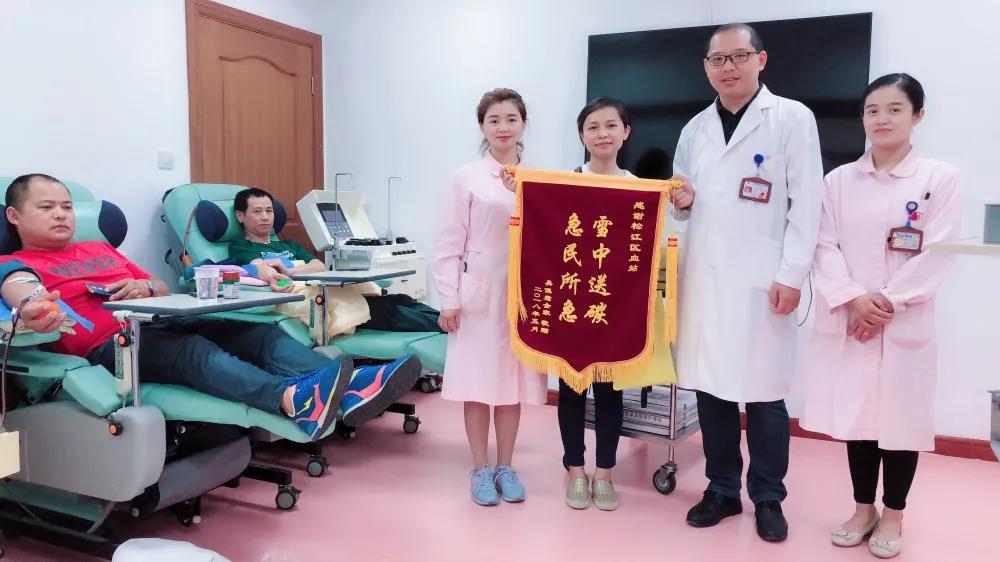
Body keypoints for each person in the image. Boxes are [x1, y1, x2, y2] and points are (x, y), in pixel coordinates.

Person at [0, 174, 419, 436]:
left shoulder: (100, 248)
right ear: (15, 217)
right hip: (113, 345)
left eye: (67, 207)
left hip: (161, 319)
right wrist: (35, 307)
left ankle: (352, 384)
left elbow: (162, 286)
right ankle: (293, 400)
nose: (61, 215)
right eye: (47, 207)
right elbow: (22, 290)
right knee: (193, 351)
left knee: (255, 334)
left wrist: (144, 285)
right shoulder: (14, 263)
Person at [668, 23, 824, 541]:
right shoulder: (694, 129)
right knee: (711, 391)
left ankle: (768, 496)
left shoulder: (792, 119)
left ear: (761, 60)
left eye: (738, 56)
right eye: (717, 60)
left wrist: (792, 274)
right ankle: (721, 489)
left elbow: (808, 203)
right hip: (705, 282)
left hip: (764, 281)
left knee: (764, 396)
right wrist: (682, 204)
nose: (728, 68)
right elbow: (681, 203)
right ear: (706, 68)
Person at [800, 74, 961, 559]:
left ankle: (894, 514)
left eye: (895, 109)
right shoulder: (838, 181)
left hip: (903, 321)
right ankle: (862, 509)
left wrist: (884, 303)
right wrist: (853, 299)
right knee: (859, 420)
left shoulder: (939, 178)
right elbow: (823, 245)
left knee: (900, 421)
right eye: (872, 110)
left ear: (918, 115)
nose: (882, 119)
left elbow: (938, 251)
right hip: (853, 320)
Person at [433, 88, 547, 506]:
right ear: (482, 127)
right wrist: (449, 298)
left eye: (511, 119)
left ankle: (506, 466)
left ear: (524, 125)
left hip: (524, 296)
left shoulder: (537, 178)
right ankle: (480, 468)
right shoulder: (466, 177)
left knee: (513, 386)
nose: (503, 127)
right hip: (477, 296)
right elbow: (449, 243)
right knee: (478, 385)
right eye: (494, 120)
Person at [228, 187, 442, 338]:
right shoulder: (241, 246)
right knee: (383, 311)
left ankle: (449, 320)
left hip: (323, 287)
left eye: (269, 211)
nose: (265, 217)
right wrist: (284, 272)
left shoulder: (290, 245)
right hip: (307, 297)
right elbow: (260, 267)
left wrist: (290, 270)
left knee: (399, 299)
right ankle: (447, 326)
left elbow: (319, 266)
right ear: (240, 216)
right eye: (257, 211)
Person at [558, 97, 634, 511]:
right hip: (572, 303)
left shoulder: (639, 188)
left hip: (614, 307)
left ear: (625, 132)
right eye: (593, 127)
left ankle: (604, 472)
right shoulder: (566, 182)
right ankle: (575, 469)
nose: (602, 134)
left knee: (609, 392)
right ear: (582, 136)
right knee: (571, 390)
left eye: (610, 125)